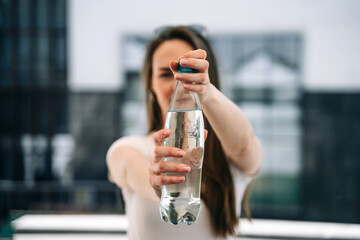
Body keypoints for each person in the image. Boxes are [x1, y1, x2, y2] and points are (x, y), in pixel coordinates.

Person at [106, 25, 262, 240]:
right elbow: (131, 170)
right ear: (151, 84)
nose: (178, 83)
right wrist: (154, 178)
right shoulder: (129, 147)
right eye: (164, 74)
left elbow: (245, 145)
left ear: (208, 78)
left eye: (188, 73)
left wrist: (207, 94)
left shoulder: (228, 153)